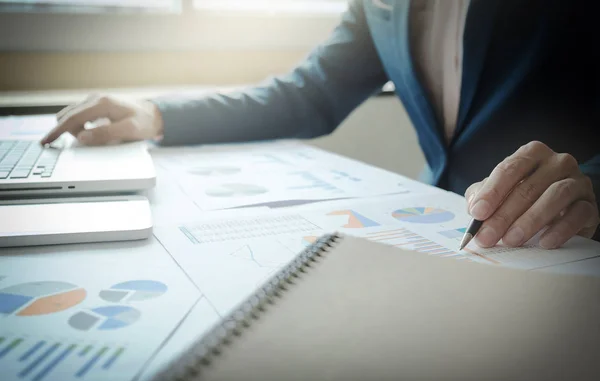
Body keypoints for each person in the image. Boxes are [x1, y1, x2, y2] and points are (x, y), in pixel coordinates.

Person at [41, 0, 600, 248]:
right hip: (443, 238)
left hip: (568, 245)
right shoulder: (379, 5)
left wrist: (592, 185)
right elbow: (311, 94)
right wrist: (157, 113)